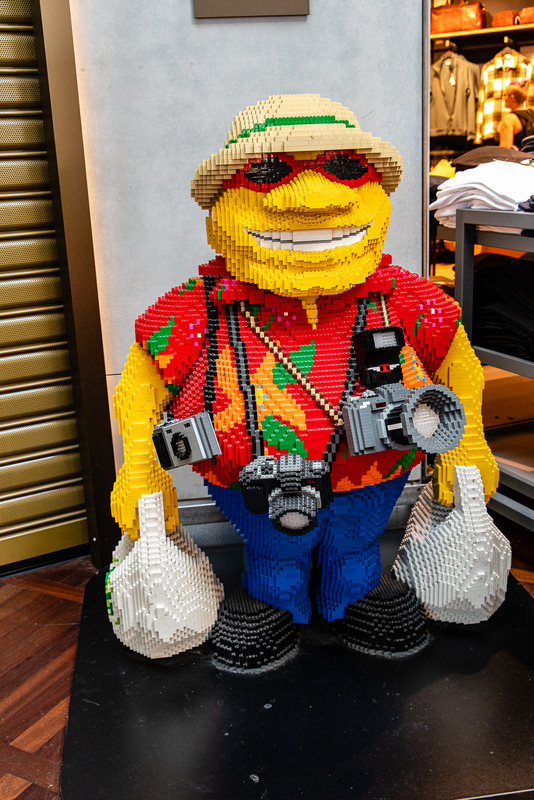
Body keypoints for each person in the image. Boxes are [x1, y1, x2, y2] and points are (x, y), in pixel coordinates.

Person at [110, 94, 501, 669]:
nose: (316, 200)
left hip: (373, 473)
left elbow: (454, 360)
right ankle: (276, 596)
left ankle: (354, 590)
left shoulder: (403, 298)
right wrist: (142, 468)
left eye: (344, 167)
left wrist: (466, 444)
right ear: (221, 206)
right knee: (275, 552)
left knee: (355, 544)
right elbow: (142, 379)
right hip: (253, 485)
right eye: (268, 172)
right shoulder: (199, 308)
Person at [499, 80, 534, 149]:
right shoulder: (532, 111)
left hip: (521, 155)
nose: (503, 98)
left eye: (505, 95)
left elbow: (505, 149)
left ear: (512, 98)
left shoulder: (509, 119)